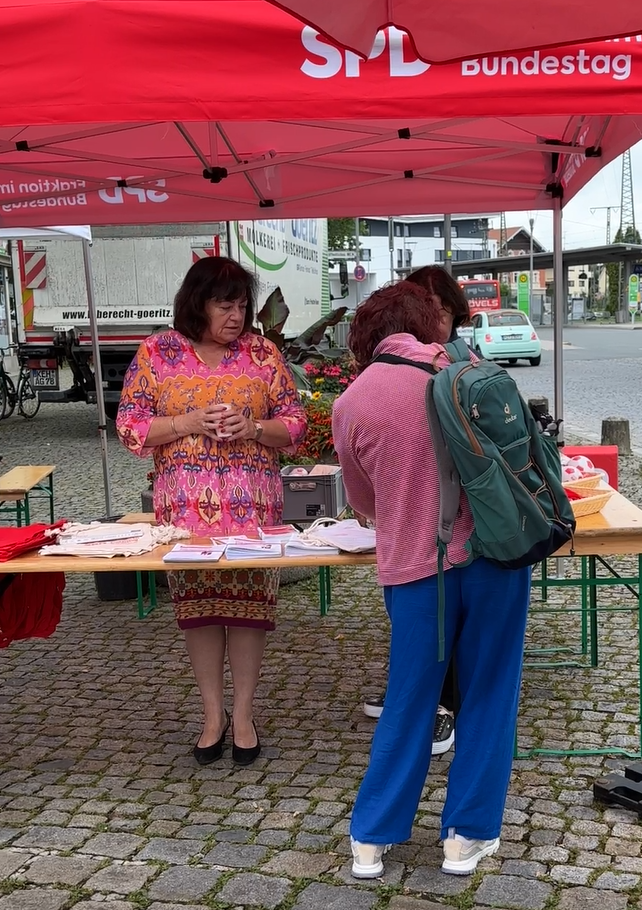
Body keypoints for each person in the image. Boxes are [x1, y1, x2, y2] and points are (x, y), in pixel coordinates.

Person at [332, 281, 530, 878]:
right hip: (493, 557)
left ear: (367, 338)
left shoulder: (352, 402)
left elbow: (364, 499)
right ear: (431, 324)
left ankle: (371, 837)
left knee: (410, 697)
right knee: (490, 693)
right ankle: (465, 837)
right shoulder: (468, 376)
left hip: (416, 570)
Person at [117, 256, 307, 767]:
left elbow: (296, 424)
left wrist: (252, 428)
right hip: (185, 515)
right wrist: (187, 422)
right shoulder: (158, 353)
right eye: (226, 304)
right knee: (199, 613)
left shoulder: (263, 354)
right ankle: (212, 716)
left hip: (253, 511)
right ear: (197, 303)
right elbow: (130, 426)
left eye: (243, 304)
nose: (237, 315)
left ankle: (243, 715)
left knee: (248, 613)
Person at [363, 266, 471, 757]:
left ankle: (439, 706)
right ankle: (422, 698)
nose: (436, 320)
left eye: (443, 310)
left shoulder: (463, 369)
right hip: (438, 538)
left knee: (440, 620)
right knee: (424, 626)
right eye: (429, 310)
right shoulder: (387, 382)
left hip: (456, 538)